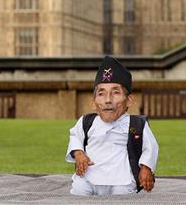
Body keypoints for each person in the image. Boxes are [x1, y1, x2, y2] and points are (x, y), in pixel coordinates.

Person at [65, 55, 159, 196]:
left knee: (122, 196)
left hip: (121, 179)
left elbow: (150, 148)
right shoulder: (86, 122)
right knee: (79, 190)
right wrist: (79, 154)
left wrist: (146, 168)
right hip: (89, 176)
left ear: (129, 100)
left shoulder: (136, 124)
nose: (108, 100)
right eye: (101, 94)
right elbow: (75, 137)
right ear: (93, 103)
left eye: (116, 93)